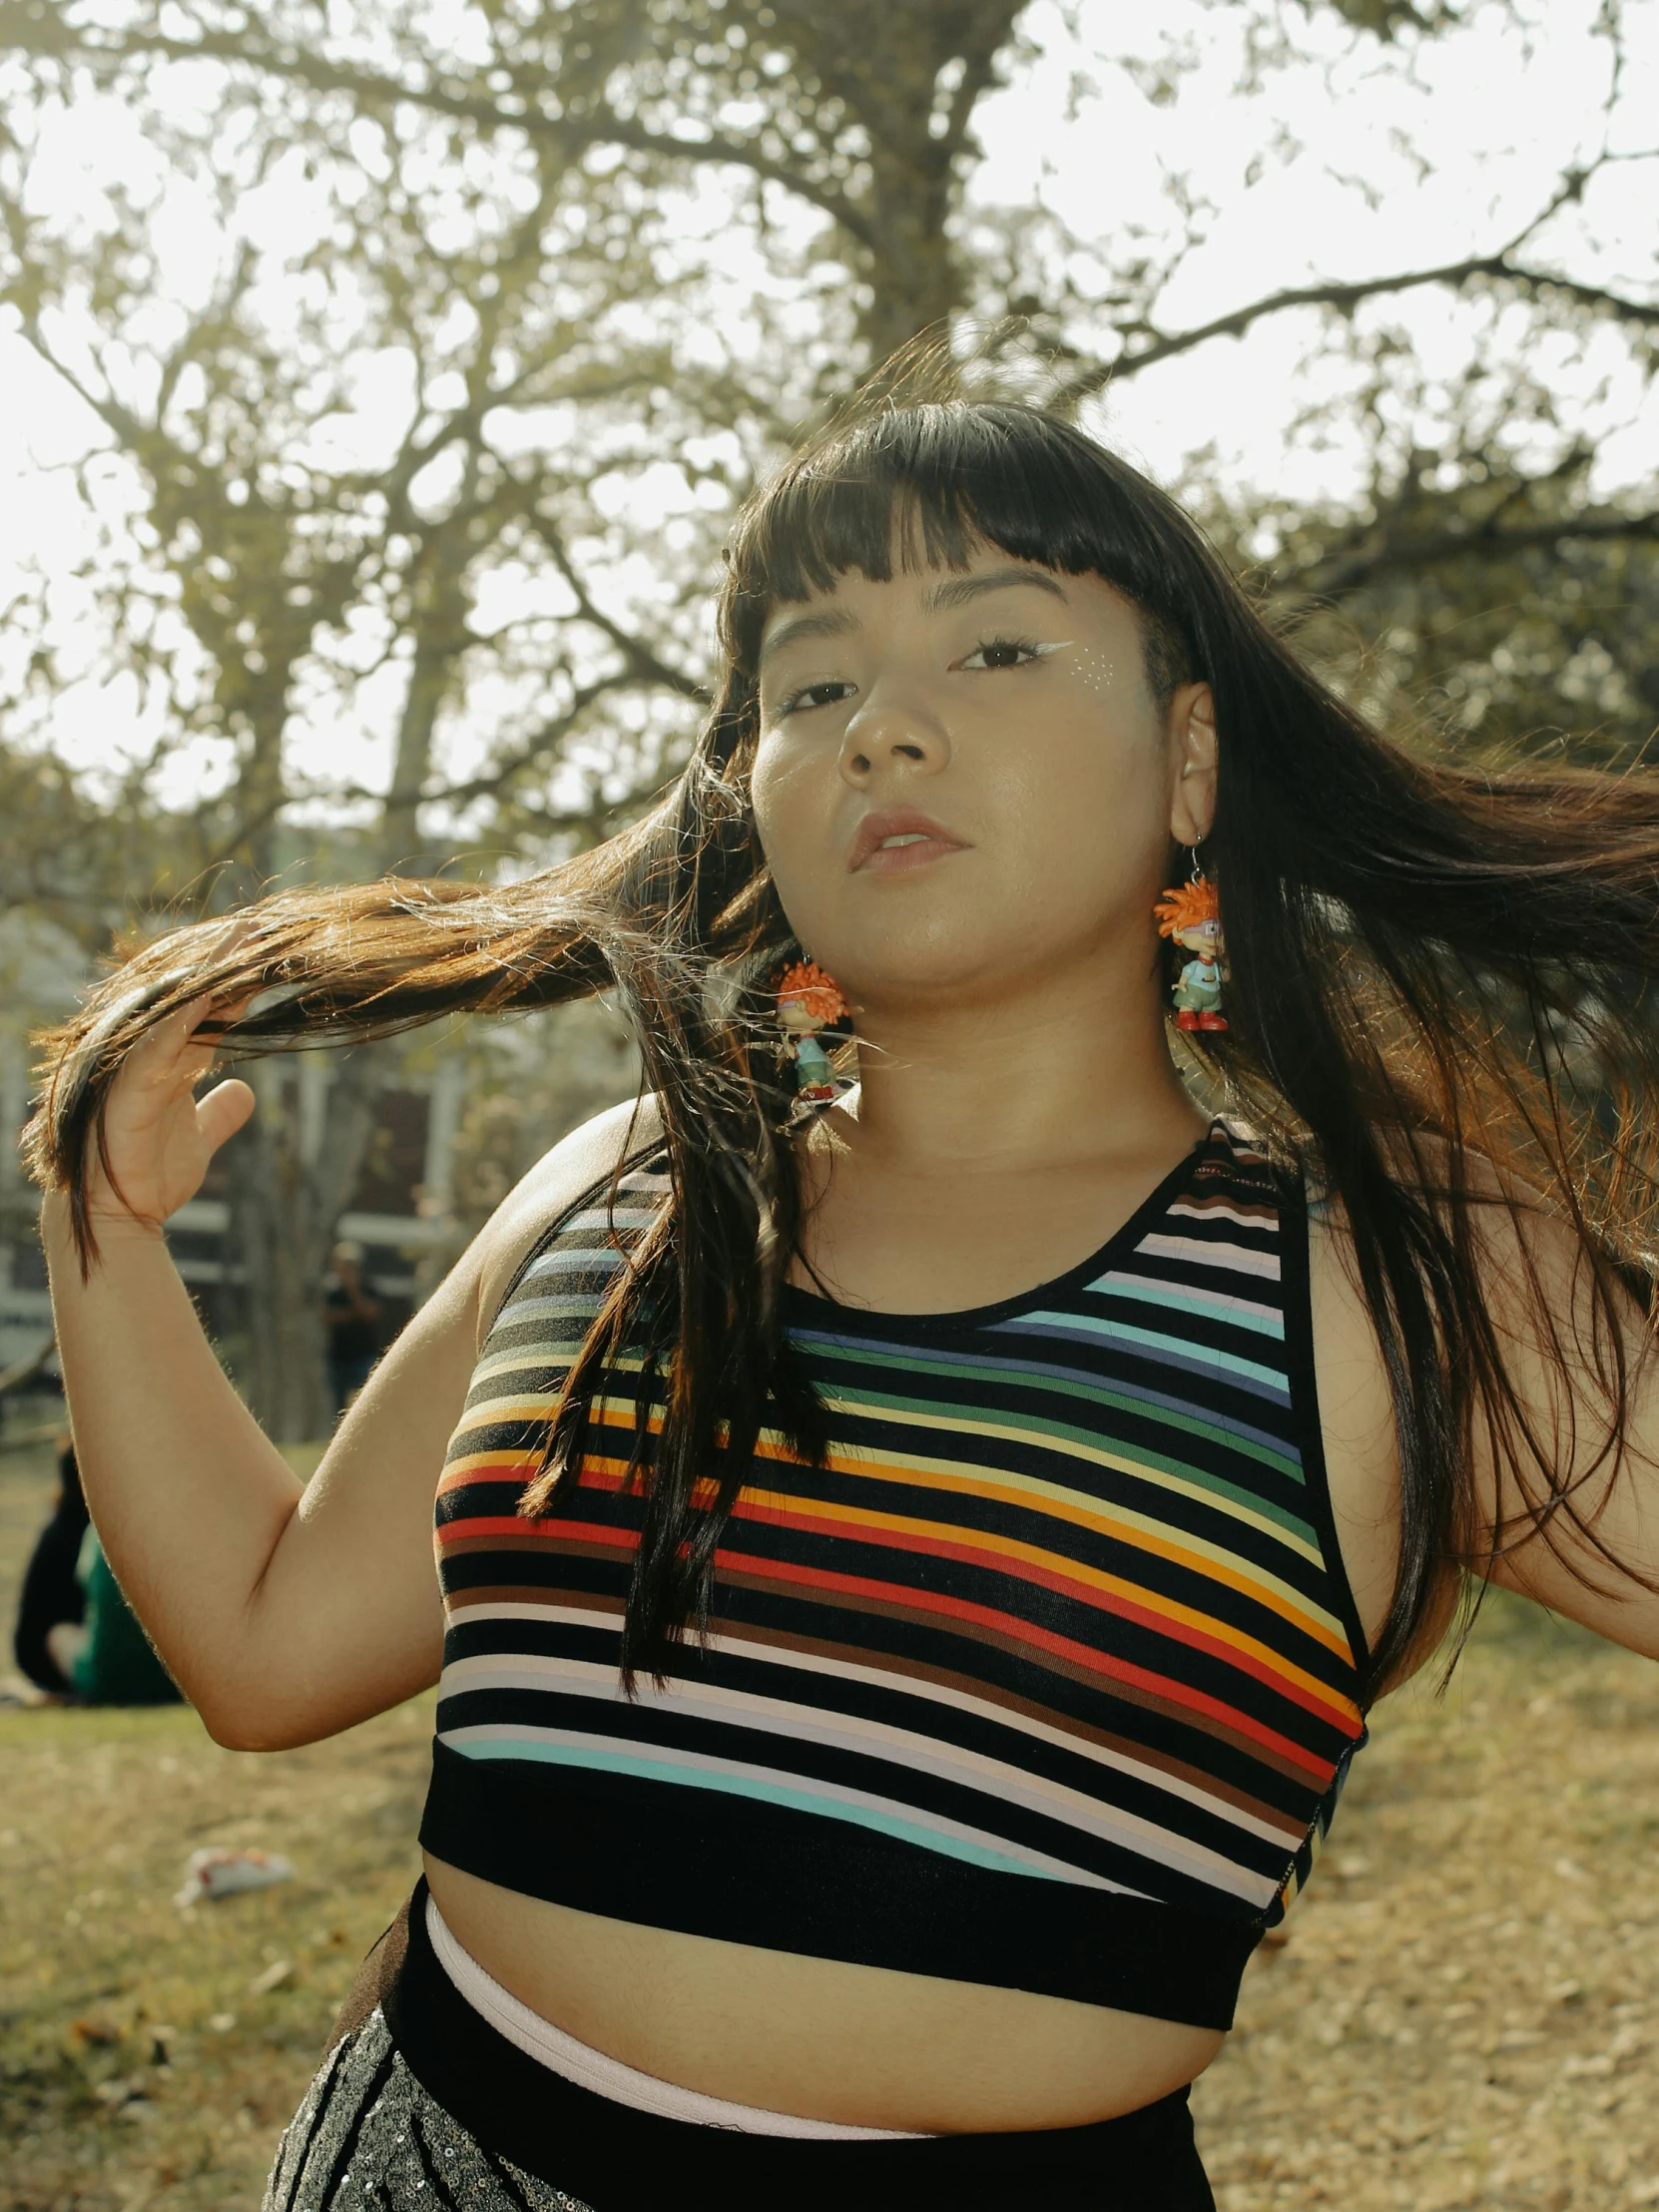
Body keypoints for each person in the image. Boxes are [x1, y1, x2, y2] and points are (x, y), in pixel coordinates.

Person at [26, 372, 1659, 2212]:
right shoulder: (624, 1193)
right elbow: (256, 1642)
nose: (884, 726)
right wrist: (108, 1225)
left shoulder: (1383, 1278)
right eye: (814, 685)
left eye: (996, 652)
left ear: (1190, 758)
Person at [322, 1239, 382, 1415]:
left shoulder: (369, 1288)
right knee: (338, 1407)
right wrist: (353, 1314)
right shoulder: (333, 1291)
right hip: (339, 1357)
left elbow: (371, 1314)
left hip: (363, 1355)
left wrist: (353, 1291)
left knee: (365, 1403)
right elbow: (328, 1317)